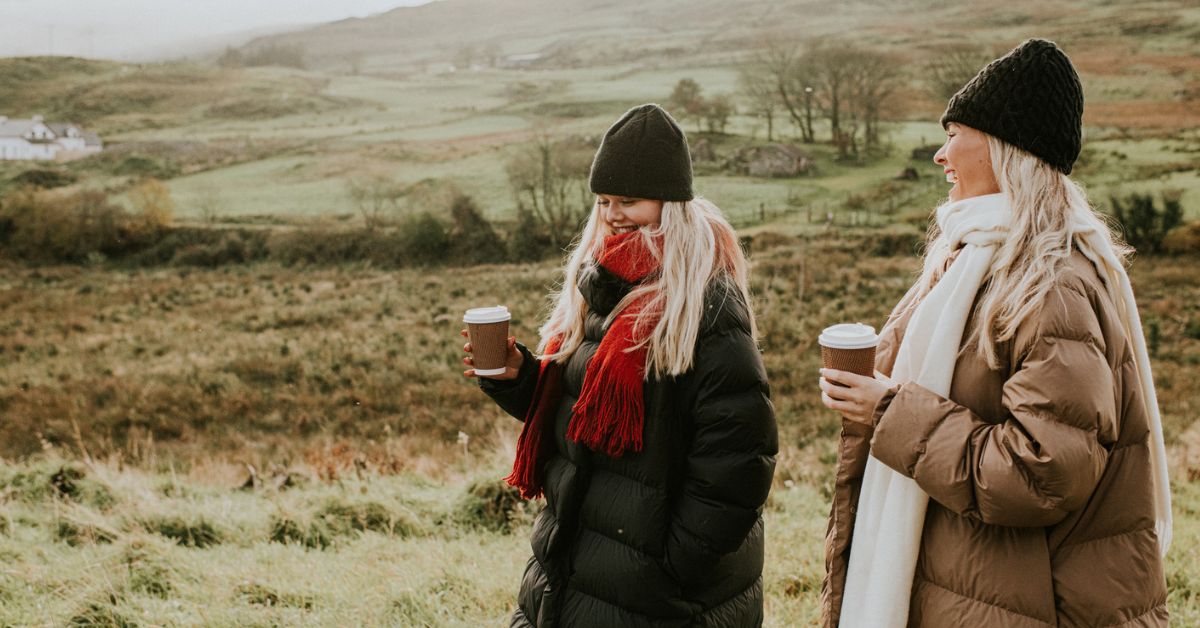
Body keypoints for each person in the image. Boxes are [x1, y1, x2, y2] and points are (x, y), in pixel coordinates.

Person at [818, 39, 1171, 627]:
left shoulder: (1050, 284)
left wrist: (889, 414)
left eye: (954, 133)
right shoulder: (975, 259)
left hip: (1033, 604)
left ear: (1006, 149)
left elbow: (1043, 472)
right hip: (983, 590)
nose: (939, 154)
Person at [461, 104, 777, 627]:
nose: (612, 214)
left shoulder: (705, 305)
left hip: (657, 596)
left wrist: (673, 564)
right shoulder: (601, 286)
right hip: (577, 566)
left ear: (671, 203)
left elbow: (740, 459)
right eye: (605, 201)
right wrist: (522, 379)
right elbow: (587, 413)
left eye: (629, 201)